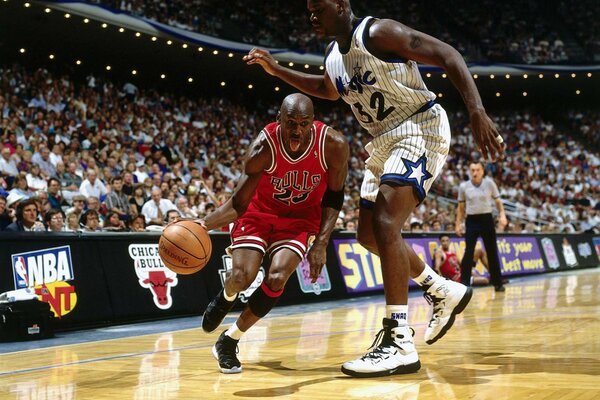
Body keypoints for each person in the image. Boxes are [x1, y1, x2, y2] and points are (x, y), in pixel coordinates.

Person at [244, 0, 504, 377]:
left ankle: (398, 340)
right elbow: (327, 90)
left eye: (319, 8)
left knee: (386, 223)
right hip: (383, 139)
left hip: (419, 127)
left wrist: (476, 110)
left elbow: (448, 54)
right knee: (368, 235)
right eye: (308, 10)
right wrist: (275, 69)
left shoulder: (378, 33)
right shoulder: (333, 55)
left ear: (341, 4)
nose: (312, 16)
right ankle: (440, 289)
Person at [194, 93, 348, 374]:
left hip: (301, 221)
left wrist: (322, 243)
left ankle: (229, 340)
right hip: (258, 214)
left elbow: (335, 196)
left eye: (304, 123)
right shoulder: (264, 147)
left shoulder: (333, 145)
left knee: (277, 277)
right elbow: (238, 203)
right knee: (242, 276)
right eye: (291, 123)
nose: (297, 130)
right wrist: (202, 224)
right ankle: (226, 296)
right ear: (279, 120)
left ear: (313, 122)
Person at [455, 161, 507, 291]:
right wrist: (458, 224)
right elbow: (461, 207)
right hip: (471, 220)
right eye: (472, 170)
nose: (475, 173)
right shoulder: (463, 186)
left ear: (482, 171)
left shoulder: (489, 183)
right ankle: (465, 284)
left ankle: (497, 283)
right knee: (469, 252)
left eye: (477, 170)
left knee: (492, 251)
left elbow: (498, 201)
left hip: (486, 219)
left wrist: (502, 215)